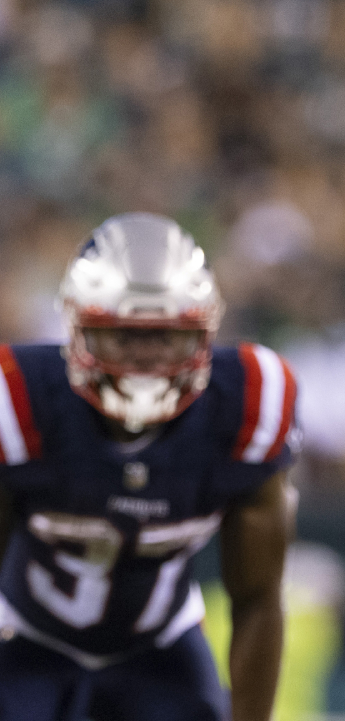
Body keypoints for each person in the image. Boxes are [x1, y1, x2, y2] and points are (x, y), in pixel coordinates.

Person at [0, 213, 298, 721]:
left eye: (164, 336)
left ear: (204, 333)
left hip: (159, 646)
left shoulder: (247, 404)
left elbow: (257, 600)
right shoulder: (19, 399)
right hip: (26, 637)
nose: (145, 361)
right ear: (78, 330)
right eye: (124, 336)